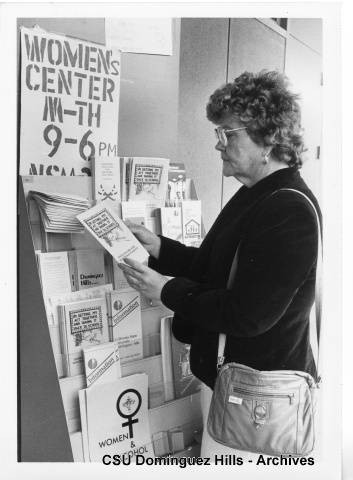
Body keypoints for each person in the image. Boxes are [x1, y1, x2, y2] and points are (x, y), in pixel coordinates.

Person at [118, 70, 321, 457]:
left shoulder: (288, 207)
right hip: (236, 387)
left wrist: (166, 290)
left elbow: (248, 314)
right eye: (218, 133)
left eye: (228, 133)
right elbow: (214, 266)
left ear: (269, 136)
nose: (218, 144)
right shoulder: (257, 193)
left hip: (259, 402)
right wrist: (159, 245)